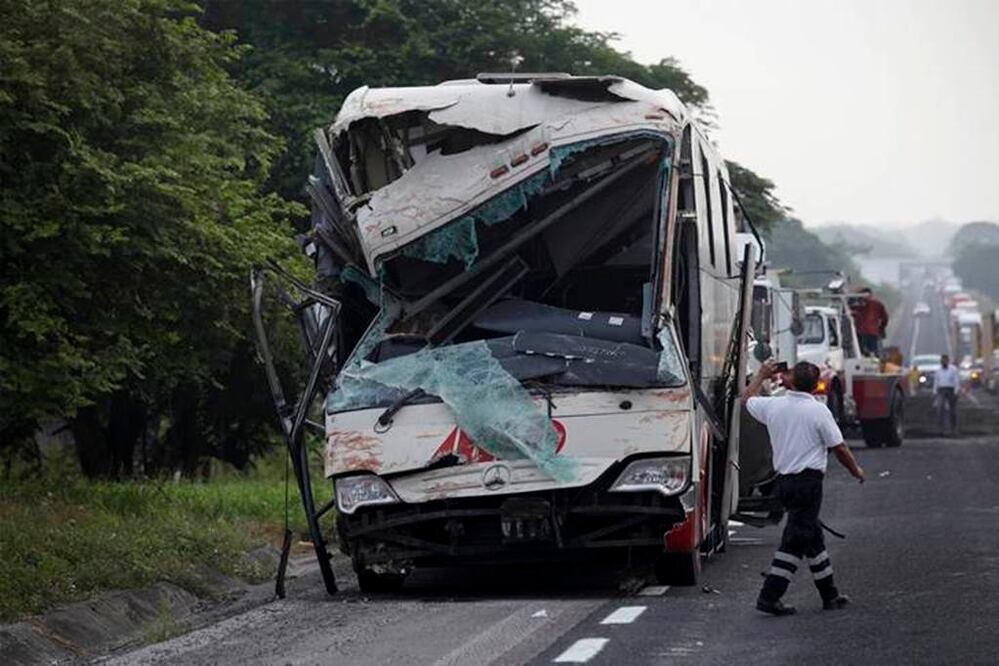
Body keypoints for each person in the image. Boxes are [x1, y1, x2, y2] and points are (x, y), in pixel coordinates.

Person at [742, 360, 866, 616]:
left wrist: (761, 375)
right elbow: (839, 448)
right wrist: (856, 471)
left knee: (813, 537)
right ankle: (769, 595)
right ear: (814, 385)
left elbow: (746, 399)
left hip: (784, 483)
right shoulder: (818, 411)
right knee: (796, 539)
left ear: (790, 381)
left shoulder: (773, 406)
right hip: (808, 484)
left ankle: (829, 594)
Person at [851, 287, 889, 357]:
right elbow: (885, 319)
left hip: (860, 333)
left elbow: (849, 312)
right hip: (872, 333)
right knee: (873, 354)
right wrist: (880, 328)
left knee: (860, 353)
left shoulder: (857, 305)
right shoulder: (878, 304)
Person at [933, 354, 960, 436]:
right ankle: (941, 429)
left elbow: (956, 381)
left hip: (951, 390)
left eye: (945, 360)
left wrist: (956, 391)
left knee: (952, 410)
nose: (943, 362)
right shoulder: (938, 371)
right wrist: (934, 392)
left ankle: (953, 428)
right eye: (942, 361)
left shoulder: (953, 369)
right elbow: (936, 381)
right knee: (940, 409)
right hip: (941, 390)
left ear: (948, 361)